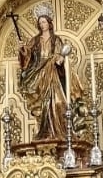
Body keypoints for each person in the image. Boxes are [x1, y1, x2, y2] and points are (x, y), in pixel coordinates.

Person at [18, 11, 80, 140]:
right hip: (39, 72)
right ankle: (44, 130)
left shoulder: (55, 39)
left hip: (52, 73)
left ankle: (60, 130)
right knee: (42, 104)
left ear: (49, 23)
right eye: (40, 22)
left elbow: (60, 53)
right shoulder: (35, 40)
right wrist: (22, 50)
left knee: (58, 102)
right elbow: (28, 56)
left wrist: (59, 59)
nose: (42, 25)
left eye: (44, 22)